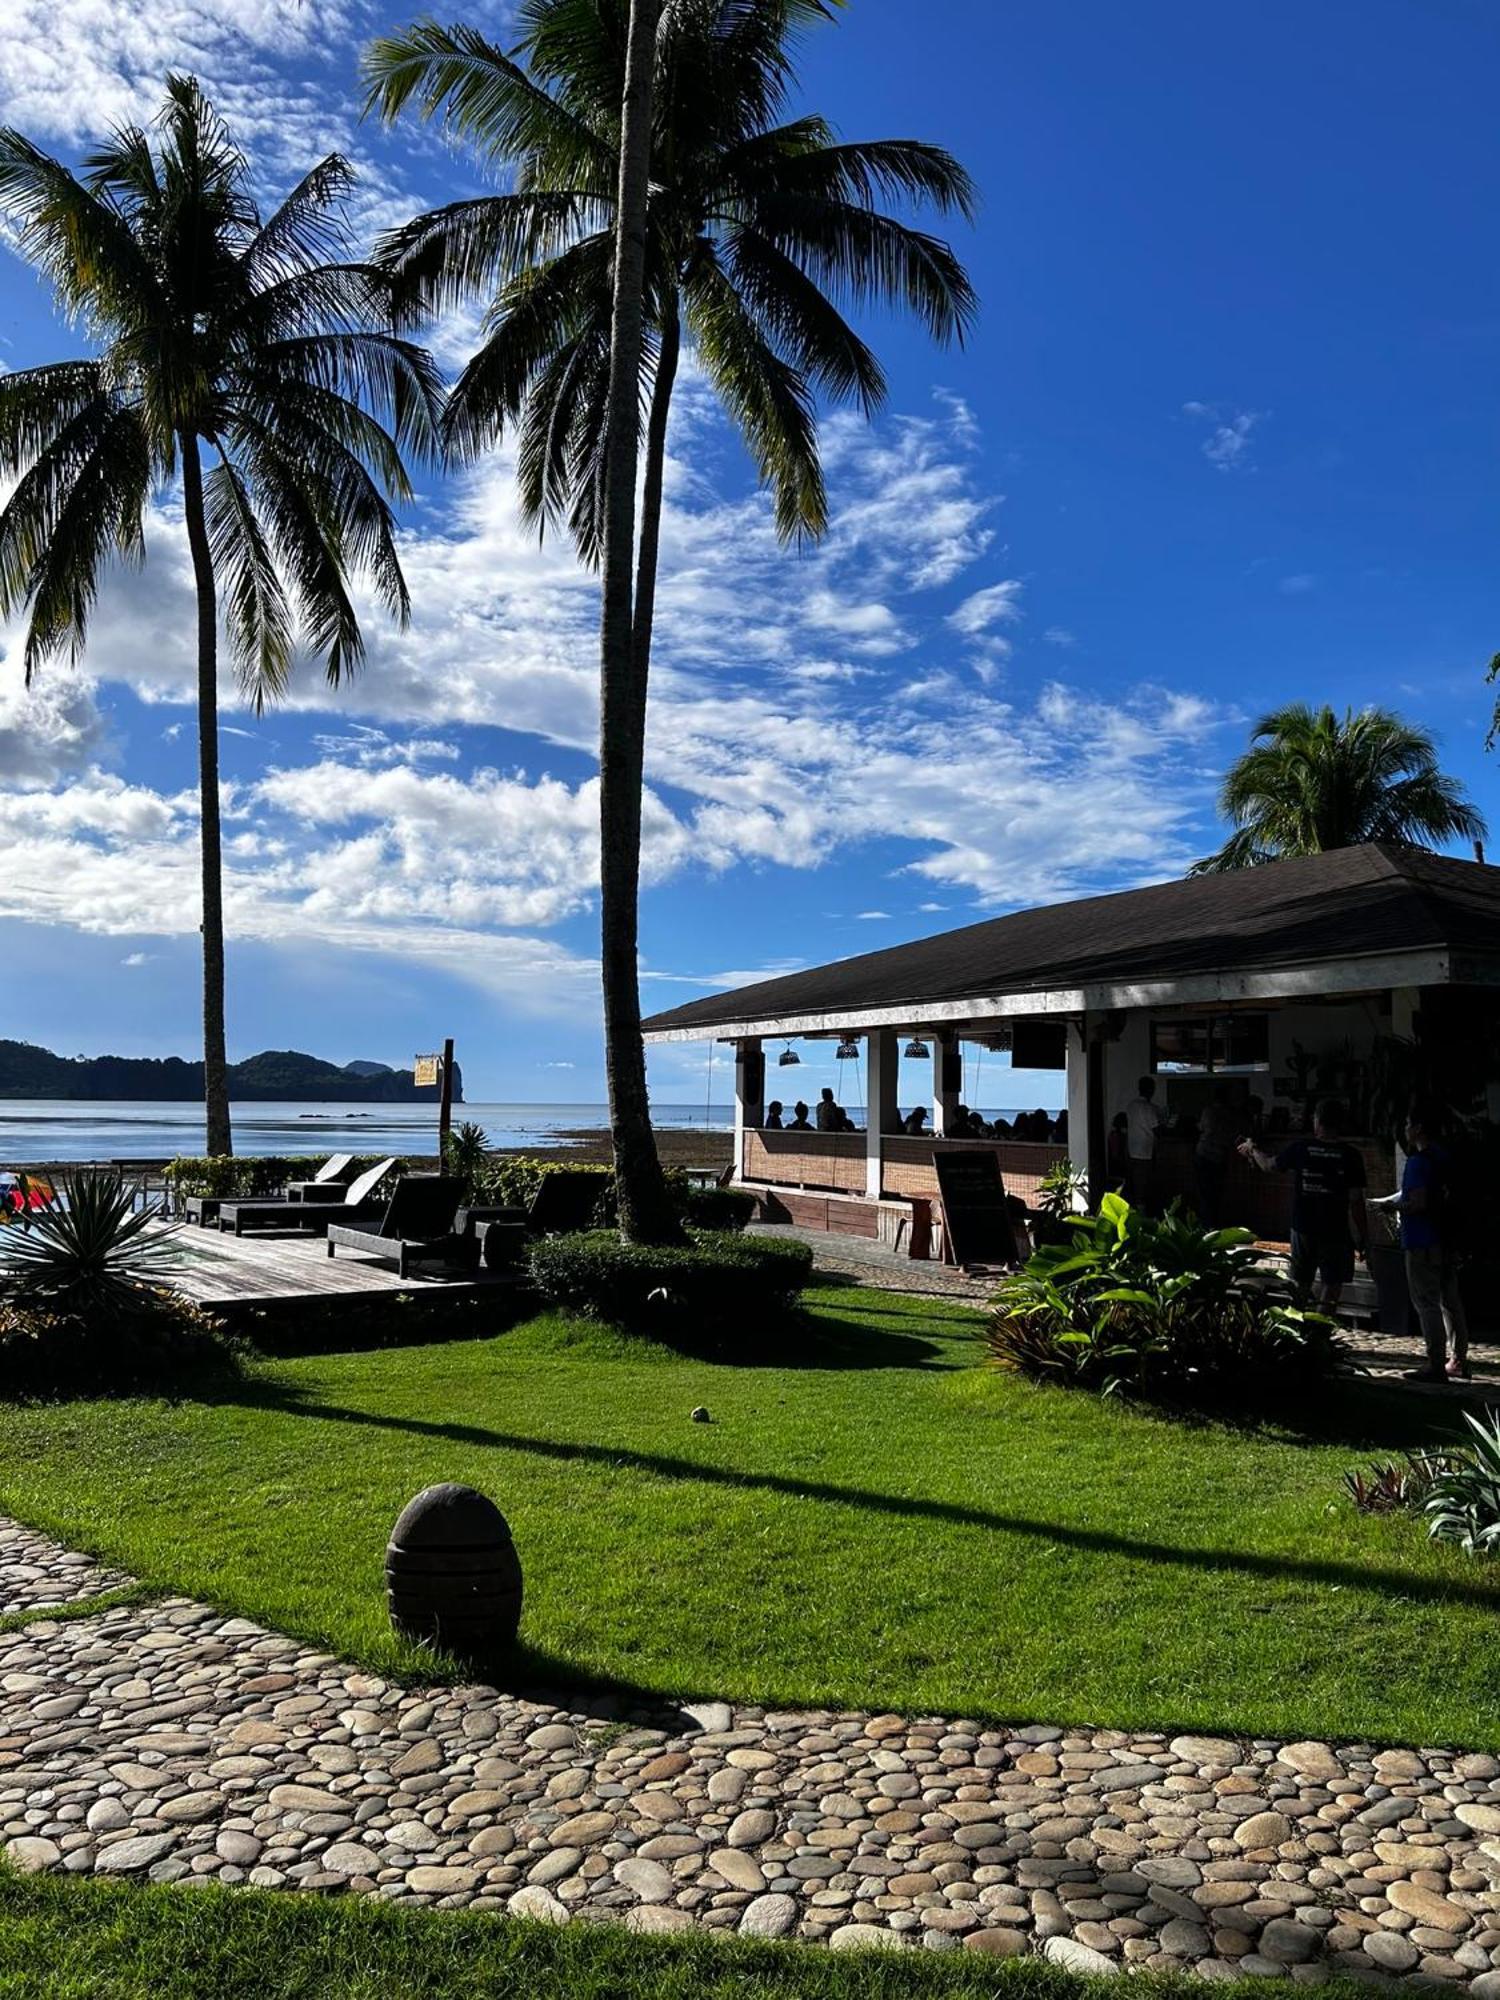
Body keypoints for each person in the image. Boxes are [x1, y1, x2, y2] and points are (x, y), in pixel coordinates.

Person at [1373, 1104, 1470, 1383]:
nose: (1404, 1128)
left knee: (1426, 1302)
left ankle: (1435, 1364)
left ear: (1417, 1128)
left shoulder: (1417, 1162)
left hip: (1422, 1240)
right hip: (1447, 1238)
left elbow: (1417, 1203)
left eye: (1407, 1123)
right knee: (1451, 1303)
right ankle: (1459, 1360)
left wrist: (1393, 1207)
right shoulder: (1445, 1157)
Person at [1240, 1097, 1368, 1310]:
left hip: (1303, 1227)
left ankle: (1300, 1327)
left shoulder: (1301, 1148)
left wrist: (1252, 1149)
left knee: (1301, 1282)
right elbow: (1356, 1200)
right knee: (1333, 1283)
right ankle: (1322, 1323)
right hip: (1336, 1229)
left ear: (1316, 1121)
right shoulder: (1351, 1155)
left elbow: (1269, 1165)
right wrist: (1363, 1236)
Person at [1195, 1084, 1241, 1227]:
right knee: (1216, 1193)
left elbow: (1201, 1127)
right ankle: (1213, 1224)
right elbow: (1234, 1134)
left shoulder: (1208, 1111)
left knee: (1205, 1193)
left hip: (1203, 1154)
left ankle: (1206, 1225)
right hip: (1218, 1156)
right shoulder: (1230, 1114)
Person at [1124, 1075, 1164, 1210]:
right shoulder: (1149, 1109)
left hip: (1132, 1151)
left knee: (1134, 1187)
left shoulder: (1131, 1106)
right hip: (1145, 1153)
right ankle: (1142, 1218)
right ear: (1150, 1090)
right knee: (1143, 1188)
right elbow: (1157, 1130)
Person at [1106, 1110, 1131, 1190]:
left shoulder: (1113, 1135)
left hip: (1114, 1166)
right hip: (1119, 1166)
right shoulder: (1119, 1136)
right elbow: (1117, 1154)